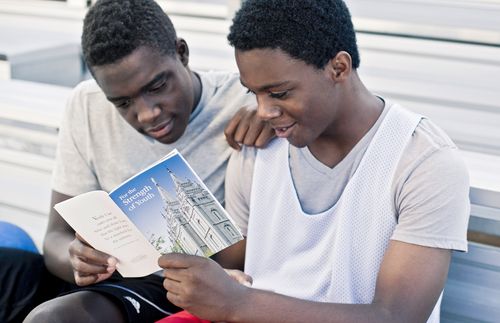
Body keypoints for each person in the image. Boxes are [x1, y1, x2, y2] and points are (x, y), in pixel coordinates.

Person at [157, 0, 471, 322]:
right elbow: (236, 261)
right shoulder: (260, 145)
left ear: (338, 68)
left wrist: (239, 303)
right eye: (254, 93)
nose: (264, 111)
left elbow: (396, 317)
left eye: (278, 93)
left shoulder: (424, 162)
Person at [2, 0, 273, 322]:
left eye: (157, 86)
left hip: (167, 290)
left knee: (54, 318)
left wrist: (273, 113)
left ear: (182, 53)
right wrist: (77, 260)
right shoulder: (87, 104)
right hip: (100, 281)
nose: (147, 114)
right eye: (122, 103)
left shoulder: (247, 105)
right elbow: (56, 239)